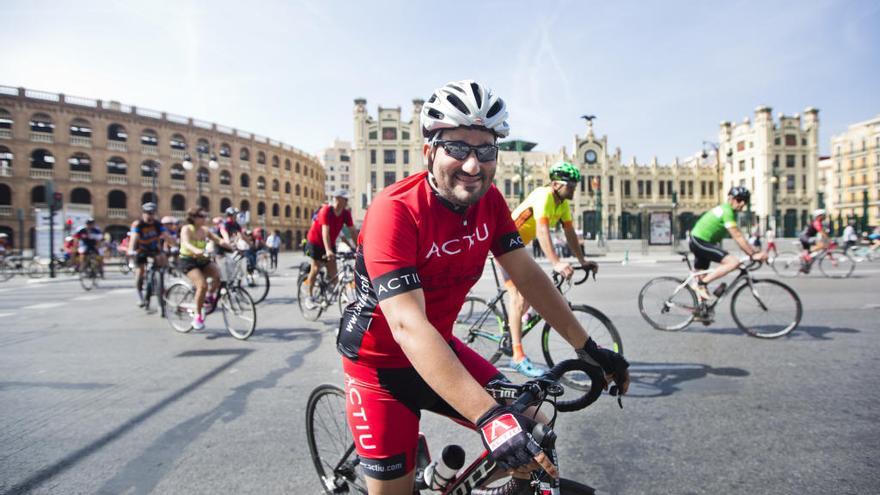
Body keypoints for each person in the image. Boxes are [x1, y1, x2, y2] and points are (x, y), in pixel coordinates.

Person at [336, 79, 629, 494]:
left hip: (439, 350)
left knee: (536, 426)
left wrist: (588, 348)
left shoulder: (489, 203)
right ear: (428, 152)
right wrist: (488, 417)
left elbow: (527, 275)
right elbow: (406, 325)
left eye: (485, 150)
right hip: (379, 367)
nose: (473, 165)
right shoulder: (394, 211)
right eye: (457, 148)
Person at [502, 161, 598, 377]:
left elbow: (570, 235)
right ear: (555, 184)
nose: (573, 189)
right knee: (518, 297)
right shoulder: (544, 195)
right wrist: (556, 262)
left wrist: (582, 261)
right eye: (570, 186)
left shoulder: (562, 203)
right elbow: (543, 231)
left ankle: (516, 320)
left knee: (533, 289)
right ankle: (517, 356)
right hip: (502, 243)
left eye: (575, 186)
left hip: (517, 248)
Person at [688, 187, 768, 301]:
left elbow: (739, 235)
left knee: (702, 285)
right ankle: (701, 284)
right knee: (733, 262)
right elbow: (737, 236)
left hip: (703, 242)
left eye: (745, 201)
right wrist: (753, 254)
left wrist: (754, 251)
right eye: (739, 199)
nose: (742, 203)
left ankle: (699, 312)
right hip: (700, 241)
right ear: (730, 198)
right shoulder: (727, 211)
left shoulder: (729, 211)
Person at [178, 207, 230, 330]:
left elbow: (218, 240)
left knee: (218, 275)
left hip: (202, 259)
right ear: (194, 217)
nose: (205, 218)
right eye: (202, 216)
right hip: (188, 261)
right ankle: (197, 317)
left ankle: (209, 295)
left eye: (205, 216)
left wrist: (231, 246)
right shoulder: (187, 229)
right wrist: (195, 250)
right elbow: (186, 243)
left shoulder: (204, 230)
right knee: (202, 285)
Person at [303, 189, 357, 307]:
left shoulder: (345, 213)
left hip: (329, 243)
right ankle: (309, 296)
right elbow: (325, 232)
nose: (347, 201)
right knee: (316, 268)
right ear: (337, 199)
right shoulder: (326, 210)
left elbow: (352, 231)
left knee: (333, 270)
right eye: (344, 199)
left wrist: (358, 247)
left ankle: (336, 293)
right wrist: (328, 250)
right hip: (315, 242)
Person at [128, 202, 172, 307]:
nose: (150, 215)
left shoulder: (157, 224)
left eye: (152, 213)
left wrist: (174, 245)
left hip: (153, 249)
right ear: (143, 213)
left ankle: (160, 282)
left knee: (162, 259)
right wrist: (130, 250)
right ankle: (140, 295)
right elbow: (134, 238)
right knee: (140, 272)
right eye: (147, 213)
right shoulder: (138, 224)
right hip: (140, 250)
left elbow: (167, 236)